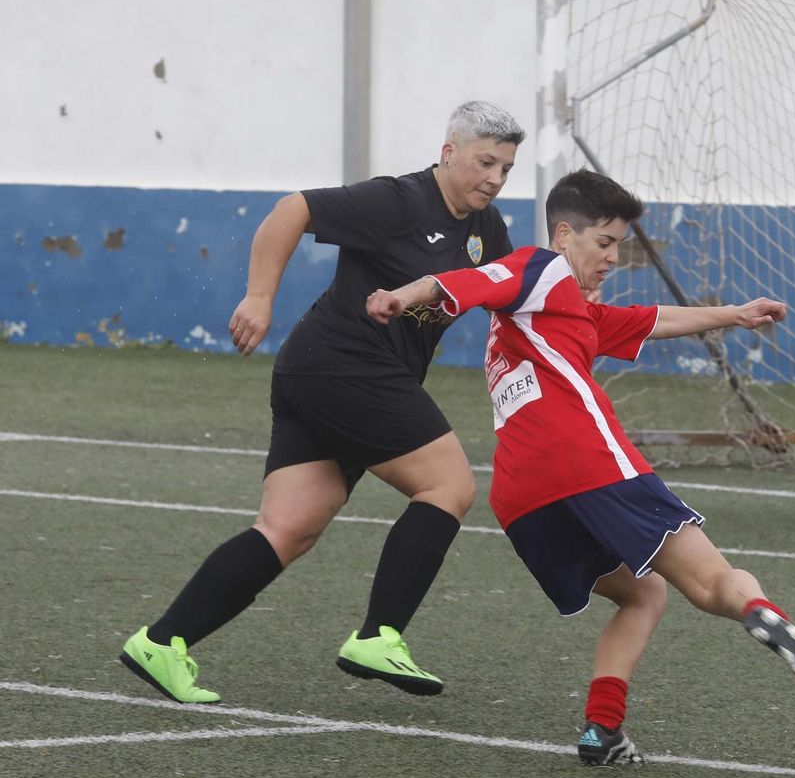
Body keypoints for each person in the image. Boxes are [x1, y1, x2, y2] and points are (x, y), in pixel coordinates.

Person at [365, 168, 795, 766]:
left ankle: (603, 731)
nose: (613, 258)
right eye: (604, 243)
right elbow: (471, 280)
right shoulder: (541, 268)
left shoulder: (563, 316)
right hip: (590, 466)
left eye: (618, 245)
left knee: (644, 594)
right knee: (711, 581)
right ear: (564, 235)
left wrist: (734, 314)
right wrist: (405, 295)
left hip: (522, 498)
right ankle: (763, 612)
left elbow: (652, 320)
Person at [118, 101, 525, 703]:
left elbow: (513, 288)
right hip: (345, 365)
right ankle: (380, 635)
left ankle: (162, 643)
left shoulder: (486, 230)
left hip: (325, 374)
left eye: (507, 168)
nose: (494, 177)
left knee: (287, 529)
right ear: (449, 154)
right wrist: (259, 297)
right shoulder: (398, 200)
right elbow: (293, 209)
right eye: (485, 162)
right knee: (448, 486)